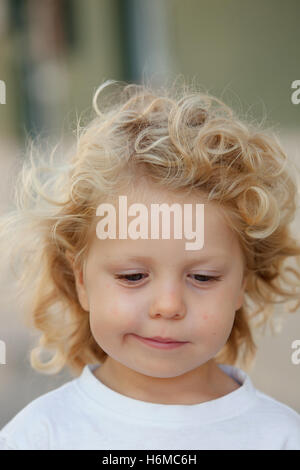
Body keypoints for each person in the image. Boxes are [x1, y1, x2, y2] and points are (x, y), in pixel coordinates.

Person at [0, 78, 300, 450]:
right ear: (81, 280)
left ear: (242, 283)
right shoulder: (37, 437)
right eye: (133, 276)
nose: (169, 305)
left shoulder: (282, 437)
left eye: (203, 277)